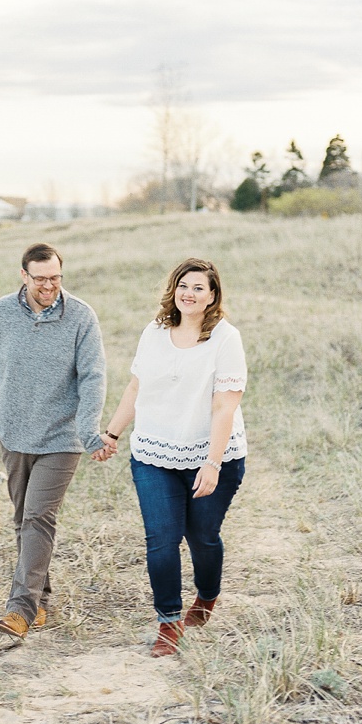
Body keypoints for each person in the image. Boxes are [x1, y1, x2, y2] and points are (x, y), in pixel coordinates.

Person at [94, 257, 247, 657]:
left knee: (201, 537)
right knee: (162, 539)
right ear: (173, 289)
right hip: (154, 451)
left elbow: (224, 408)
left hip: (213, 455)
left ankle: (207, 596)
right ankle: (168, 622)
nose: (190, 293)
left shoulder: (226, 338)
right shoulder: (155, 332)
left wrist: (212, 463)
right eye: (184, 285)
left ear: (213, 295)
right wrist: (111, 433)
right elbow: (135, 388)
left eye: (199, 287)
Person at [0, 242, 109, 639]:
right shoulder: (0, 313)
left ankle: (20, 610)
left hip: (62, 438)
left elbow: (93, 378)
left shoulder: (81, 317)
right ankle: (43, 602)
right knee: (24, 521)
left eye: (56, 278)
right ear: (24, 276)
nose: (49, 286)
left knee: (37, 517)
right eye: (41, 279)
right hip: (14, 435)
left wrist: (88, 431)